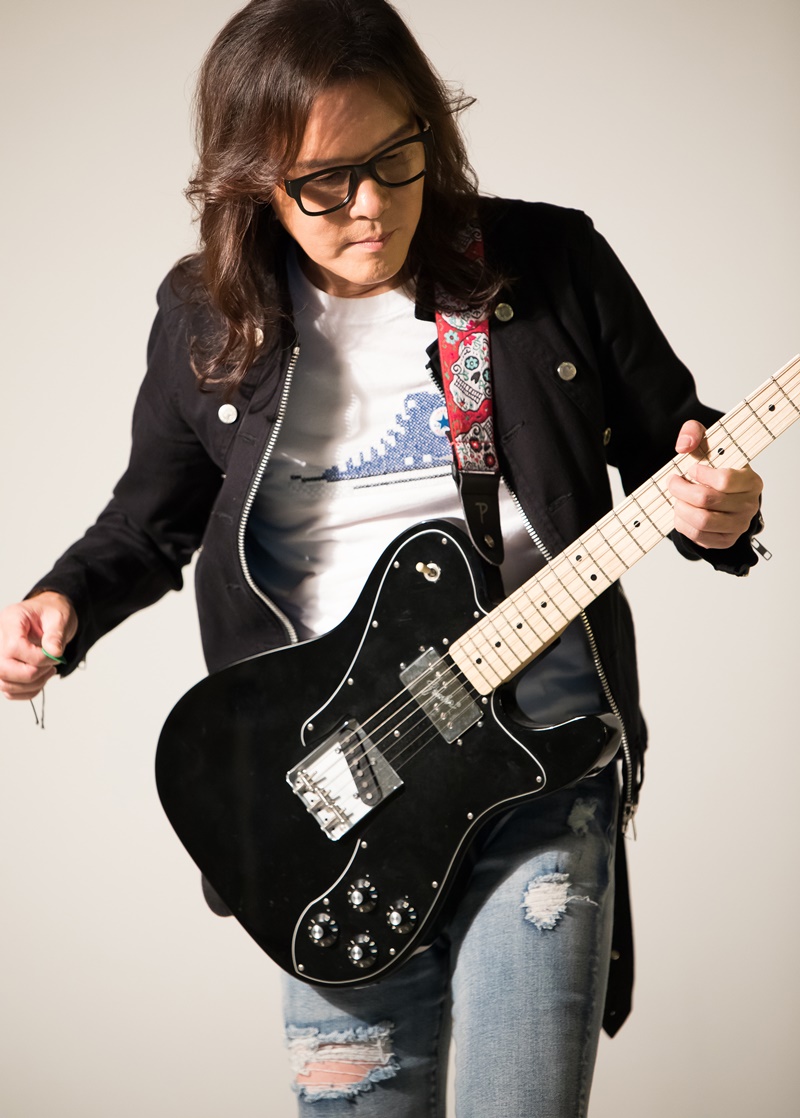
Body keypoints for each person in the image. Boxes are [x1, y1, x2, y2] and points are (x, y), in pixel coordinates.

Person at [0, 1, 764, 1114]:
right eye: (324, 181)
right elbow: (150, 520)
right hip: (335, 793)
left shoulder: (547, 262)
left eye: (396, 157)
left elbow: (677, 451)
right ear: (255, 182)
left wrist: (718, 509)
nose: (370, 205)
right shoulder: (207, 316)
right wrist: (61, 599)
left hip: (536, 767)